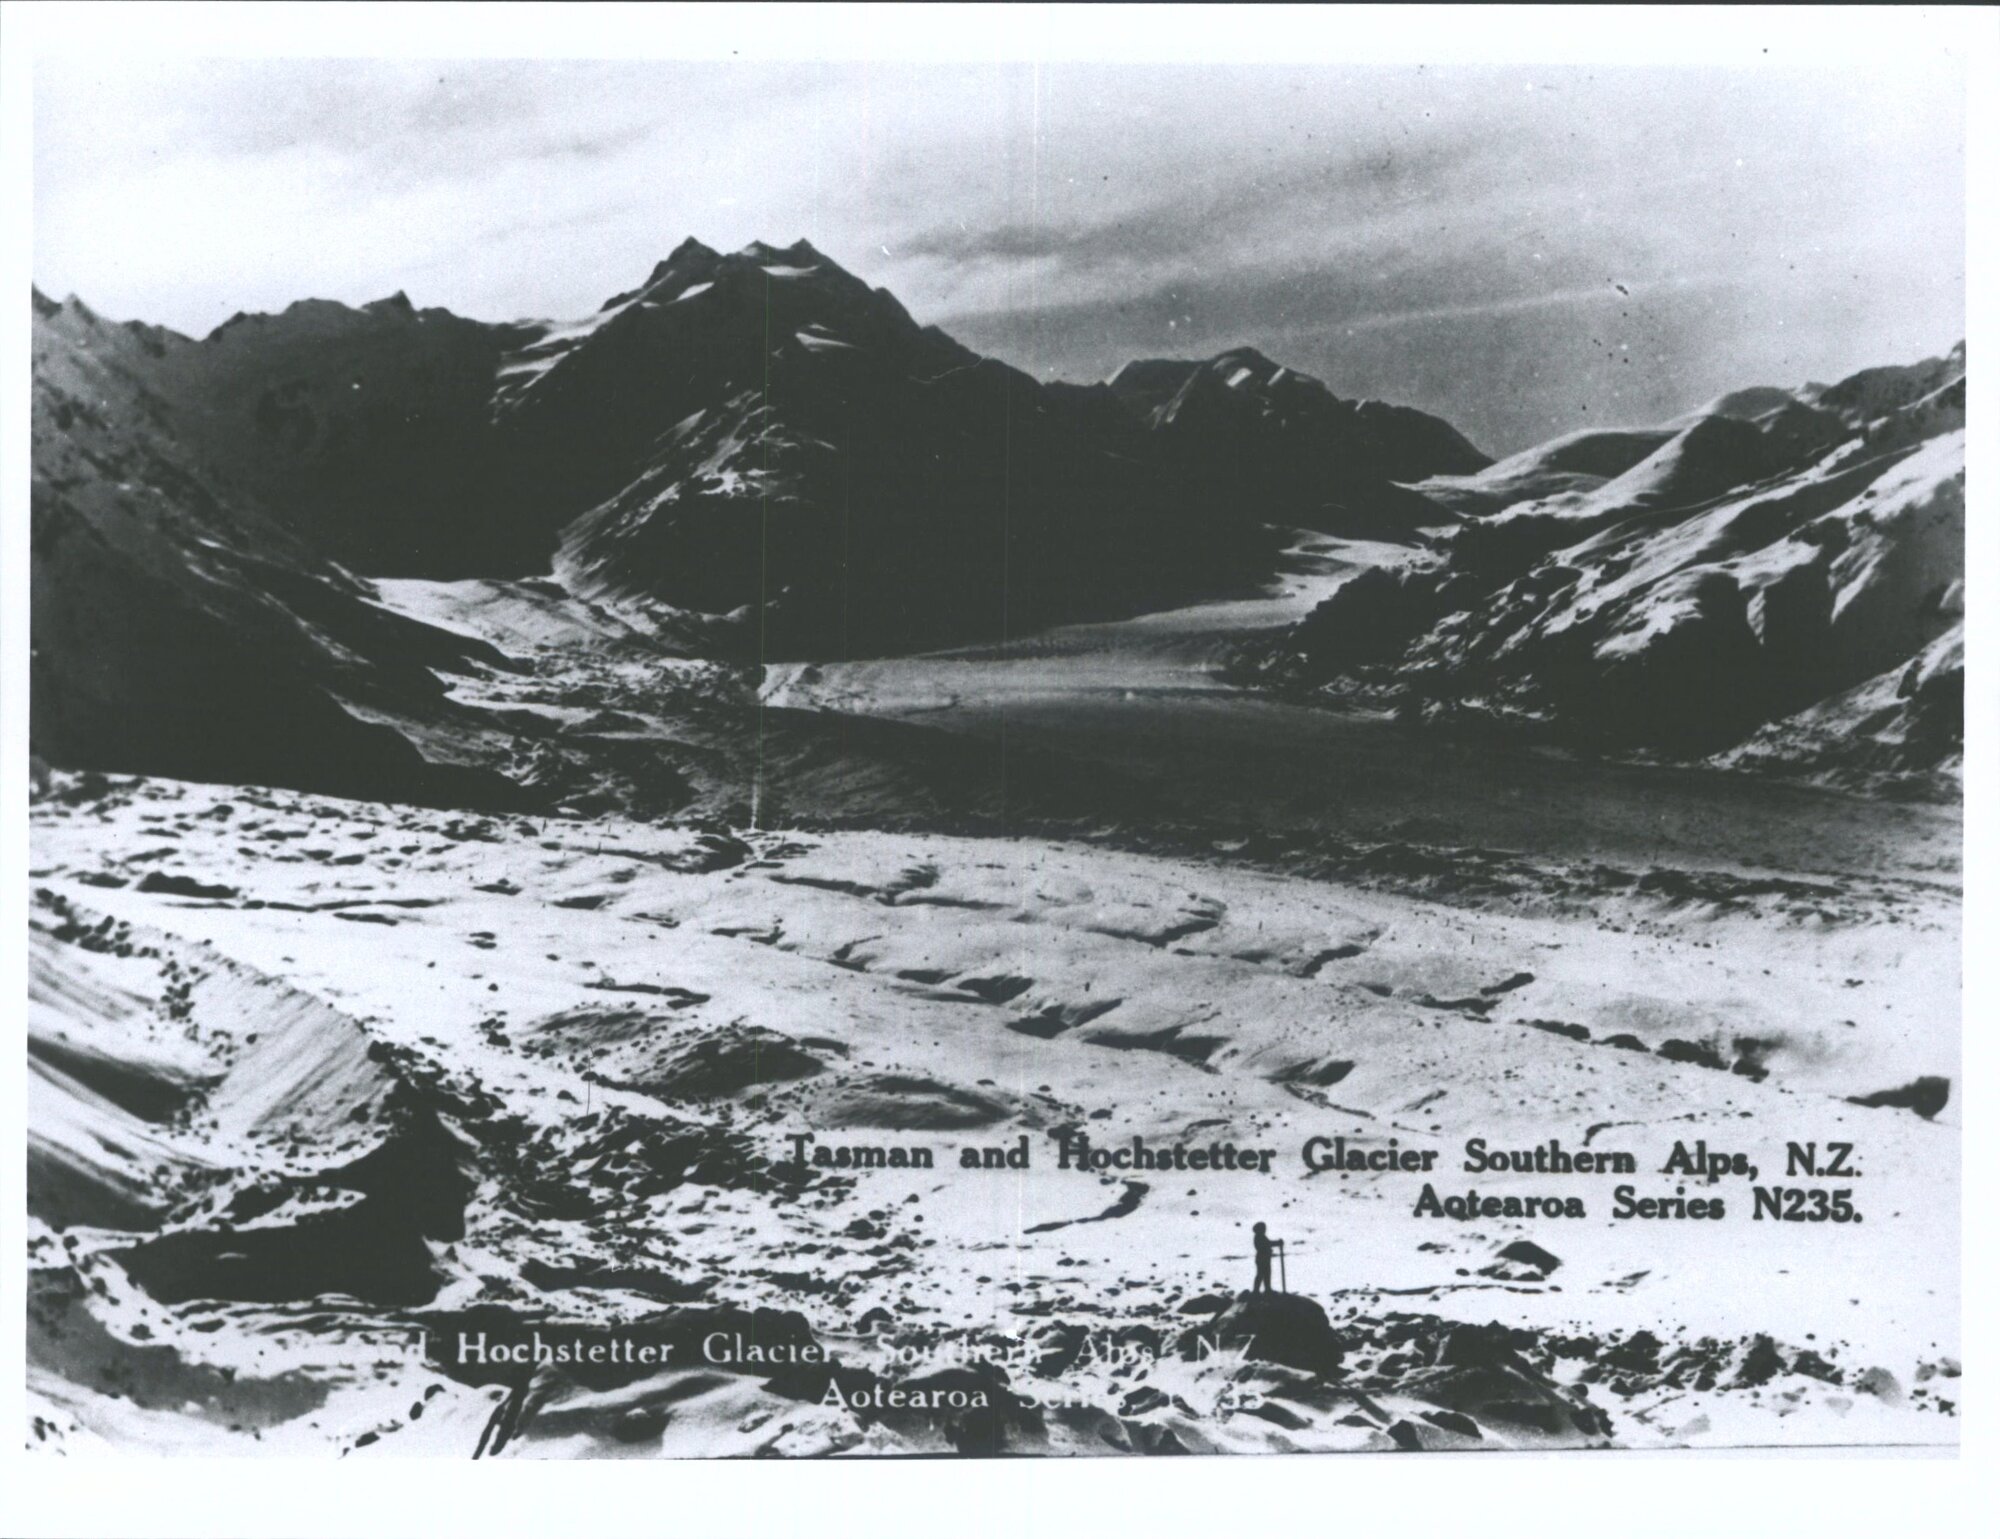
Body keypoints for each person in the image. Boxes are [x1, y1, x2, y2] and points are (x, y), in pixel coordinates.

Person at [1251, 1222, 1279, 1294]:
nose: (1265, 1230)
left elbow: (1267, 1244)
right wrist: (1277, 1243)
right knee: (1261, 1274)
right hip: (1262, 1258)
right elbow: (1267, 1244)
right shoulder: (1259, 1237)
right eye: (1263, 1228)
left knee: (1266, 1273)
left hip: (1265, 1258)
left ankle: (1267, 1289)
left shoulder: (1261, 1236)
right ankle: (1256, 1290)